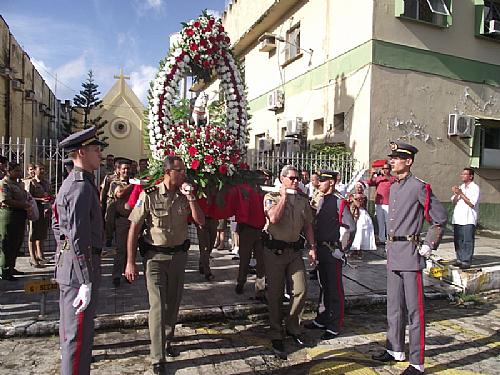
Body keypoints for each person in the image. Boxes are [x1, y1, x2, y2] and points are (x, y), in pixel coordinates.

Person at [372, 142, 448, 375]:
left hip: (411, 254)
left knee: (415, 311)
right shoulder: (393, 187)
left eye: (396, 158)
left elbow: (440, 218)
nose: (391, 161)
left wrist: (430, 244)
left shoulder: (419, 187)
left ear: (409, 161)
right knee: (393, 307)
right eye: (391, 158)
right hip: (394, 253)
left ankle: (417, 362)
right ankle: (395, 349)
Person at [125, 155, 204, 375]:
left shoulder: (184, 195)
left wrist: (191, 198)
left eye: (185, 170)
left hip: (178, 258)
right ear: (168, 172)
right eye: (180, 171)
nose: (184, 174)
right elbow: (133, 228)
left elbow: (201, 221)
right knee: (158, 306)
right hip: (155, 258)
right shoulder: (148, 195)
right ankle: (157, 357)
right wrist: (130, 262)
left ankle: (167, 339)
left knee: (173, 304)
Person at [52, 126, 105, 375]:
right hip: (79, 272)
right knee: (76, 338)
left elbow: (58, 227)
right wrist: (84, 278)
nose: (100, 155)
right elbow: (76, 236)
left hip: (73, 266)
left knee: (77, 335)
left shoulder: (76, 183)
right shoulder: (79, 187)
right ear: (81, 153)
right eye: (96, 150)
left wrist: (64, 252)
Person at [263, 165, 316, 359]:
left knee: (300, 289)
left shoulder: (302, 200)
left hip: (294, 251)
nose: (295, 182)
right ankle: (276, 332)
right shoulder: (271, 197)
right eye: (291, 178)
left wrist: (312, 247)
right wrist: (284, 197)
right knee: (275, 294)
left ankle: (293, 326)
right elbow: (274, 219)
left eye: (297, 179)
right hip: (274, 251)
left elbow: (308, 225)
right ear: (282, 178)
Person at [304, 170, 355, 339]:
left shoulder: (339, 202)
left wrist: (343, 249)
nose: (318, 184)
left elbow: (350, 227)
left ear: (332, 182)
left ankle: (334, 324)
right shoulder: (322, 199)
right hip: (321, 249)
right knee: (323, 285)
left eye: (323, 181)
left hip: (332, 250)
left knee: (334, 289)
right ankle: (322, 317)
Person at [0, 162, 30, 281]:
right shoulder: (4, 183)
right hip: (9, 215)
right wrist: (24, 205)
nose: (19, 173)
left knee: (16, 243)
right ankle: (5, 270)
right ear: (8, 171)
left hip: (19, 215)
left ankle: (11, 267)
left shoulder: (17, 184)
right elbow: (6, 200)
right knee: (8, 243)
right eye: (16, 171)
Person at [109, 158, 134, 286]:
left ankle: (128, 273)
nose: (126, 171)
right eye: (124, 168)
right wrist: (134, 185)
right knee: (121, 250)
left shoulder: (133, 181)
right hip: (122, 220)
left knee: (131, 249)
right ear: (118, 170)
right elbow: (120, 194)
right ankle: (116, 275)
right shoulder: (114, 183)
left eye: (128, 168)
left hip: (133, 220)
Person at [451, 167, 480, 269]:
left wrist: (461, 194)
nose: (462, 176)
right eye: (462, 174)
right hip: (458, 218)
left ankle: (466, 260)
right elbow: (454, 202)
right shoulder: (461, 186)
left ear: (470, 176)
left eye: (464, 174)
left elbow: (472, 203)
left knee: (467, 240)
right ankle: (459, 259)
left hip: (468, 219)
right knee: (458, 240)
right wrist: (456, 194)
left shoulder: (474, 188)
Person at [26, 163, 52, 267]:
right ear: (35, 171)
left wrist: (50, 198)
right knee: (33, 233)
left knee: (41, 232)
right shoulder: (31, 182)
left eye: (43, 169)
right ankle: (32, 257)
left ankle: (40, 254)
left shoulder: (46, 182)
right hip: (34, 209)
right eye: (40, 169)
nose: (42, 171)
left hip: (44, 209)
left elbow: (49, 193)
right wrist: (40, 199)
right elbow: (28, 197)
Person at [365, 161, 396, 245]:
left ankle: (390, 238)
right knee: (380, 221)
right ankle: (382, 239)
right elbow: (369, 182)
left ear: (390, 169)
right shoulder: (379, 179)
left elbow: (393, 181)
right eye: (383, 168)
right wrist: (372, 174)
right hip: (378, 203)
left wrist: (385, 175)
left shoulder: (393, 178)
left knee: (388, 222)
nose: (384, 170)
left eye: (386, 169)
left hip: (388, 203)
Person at [350, 193, 376, 259]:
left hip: (362, 216)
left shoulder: (363, 196)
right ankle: (354, 250)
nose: (358, 189)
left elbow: (358, 205)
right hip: (355, 215)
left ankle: (360, 251)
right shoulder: (353, 195)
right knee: (354, 233)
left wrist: (353, 199)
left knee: (360, 233)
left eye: (359, 187)